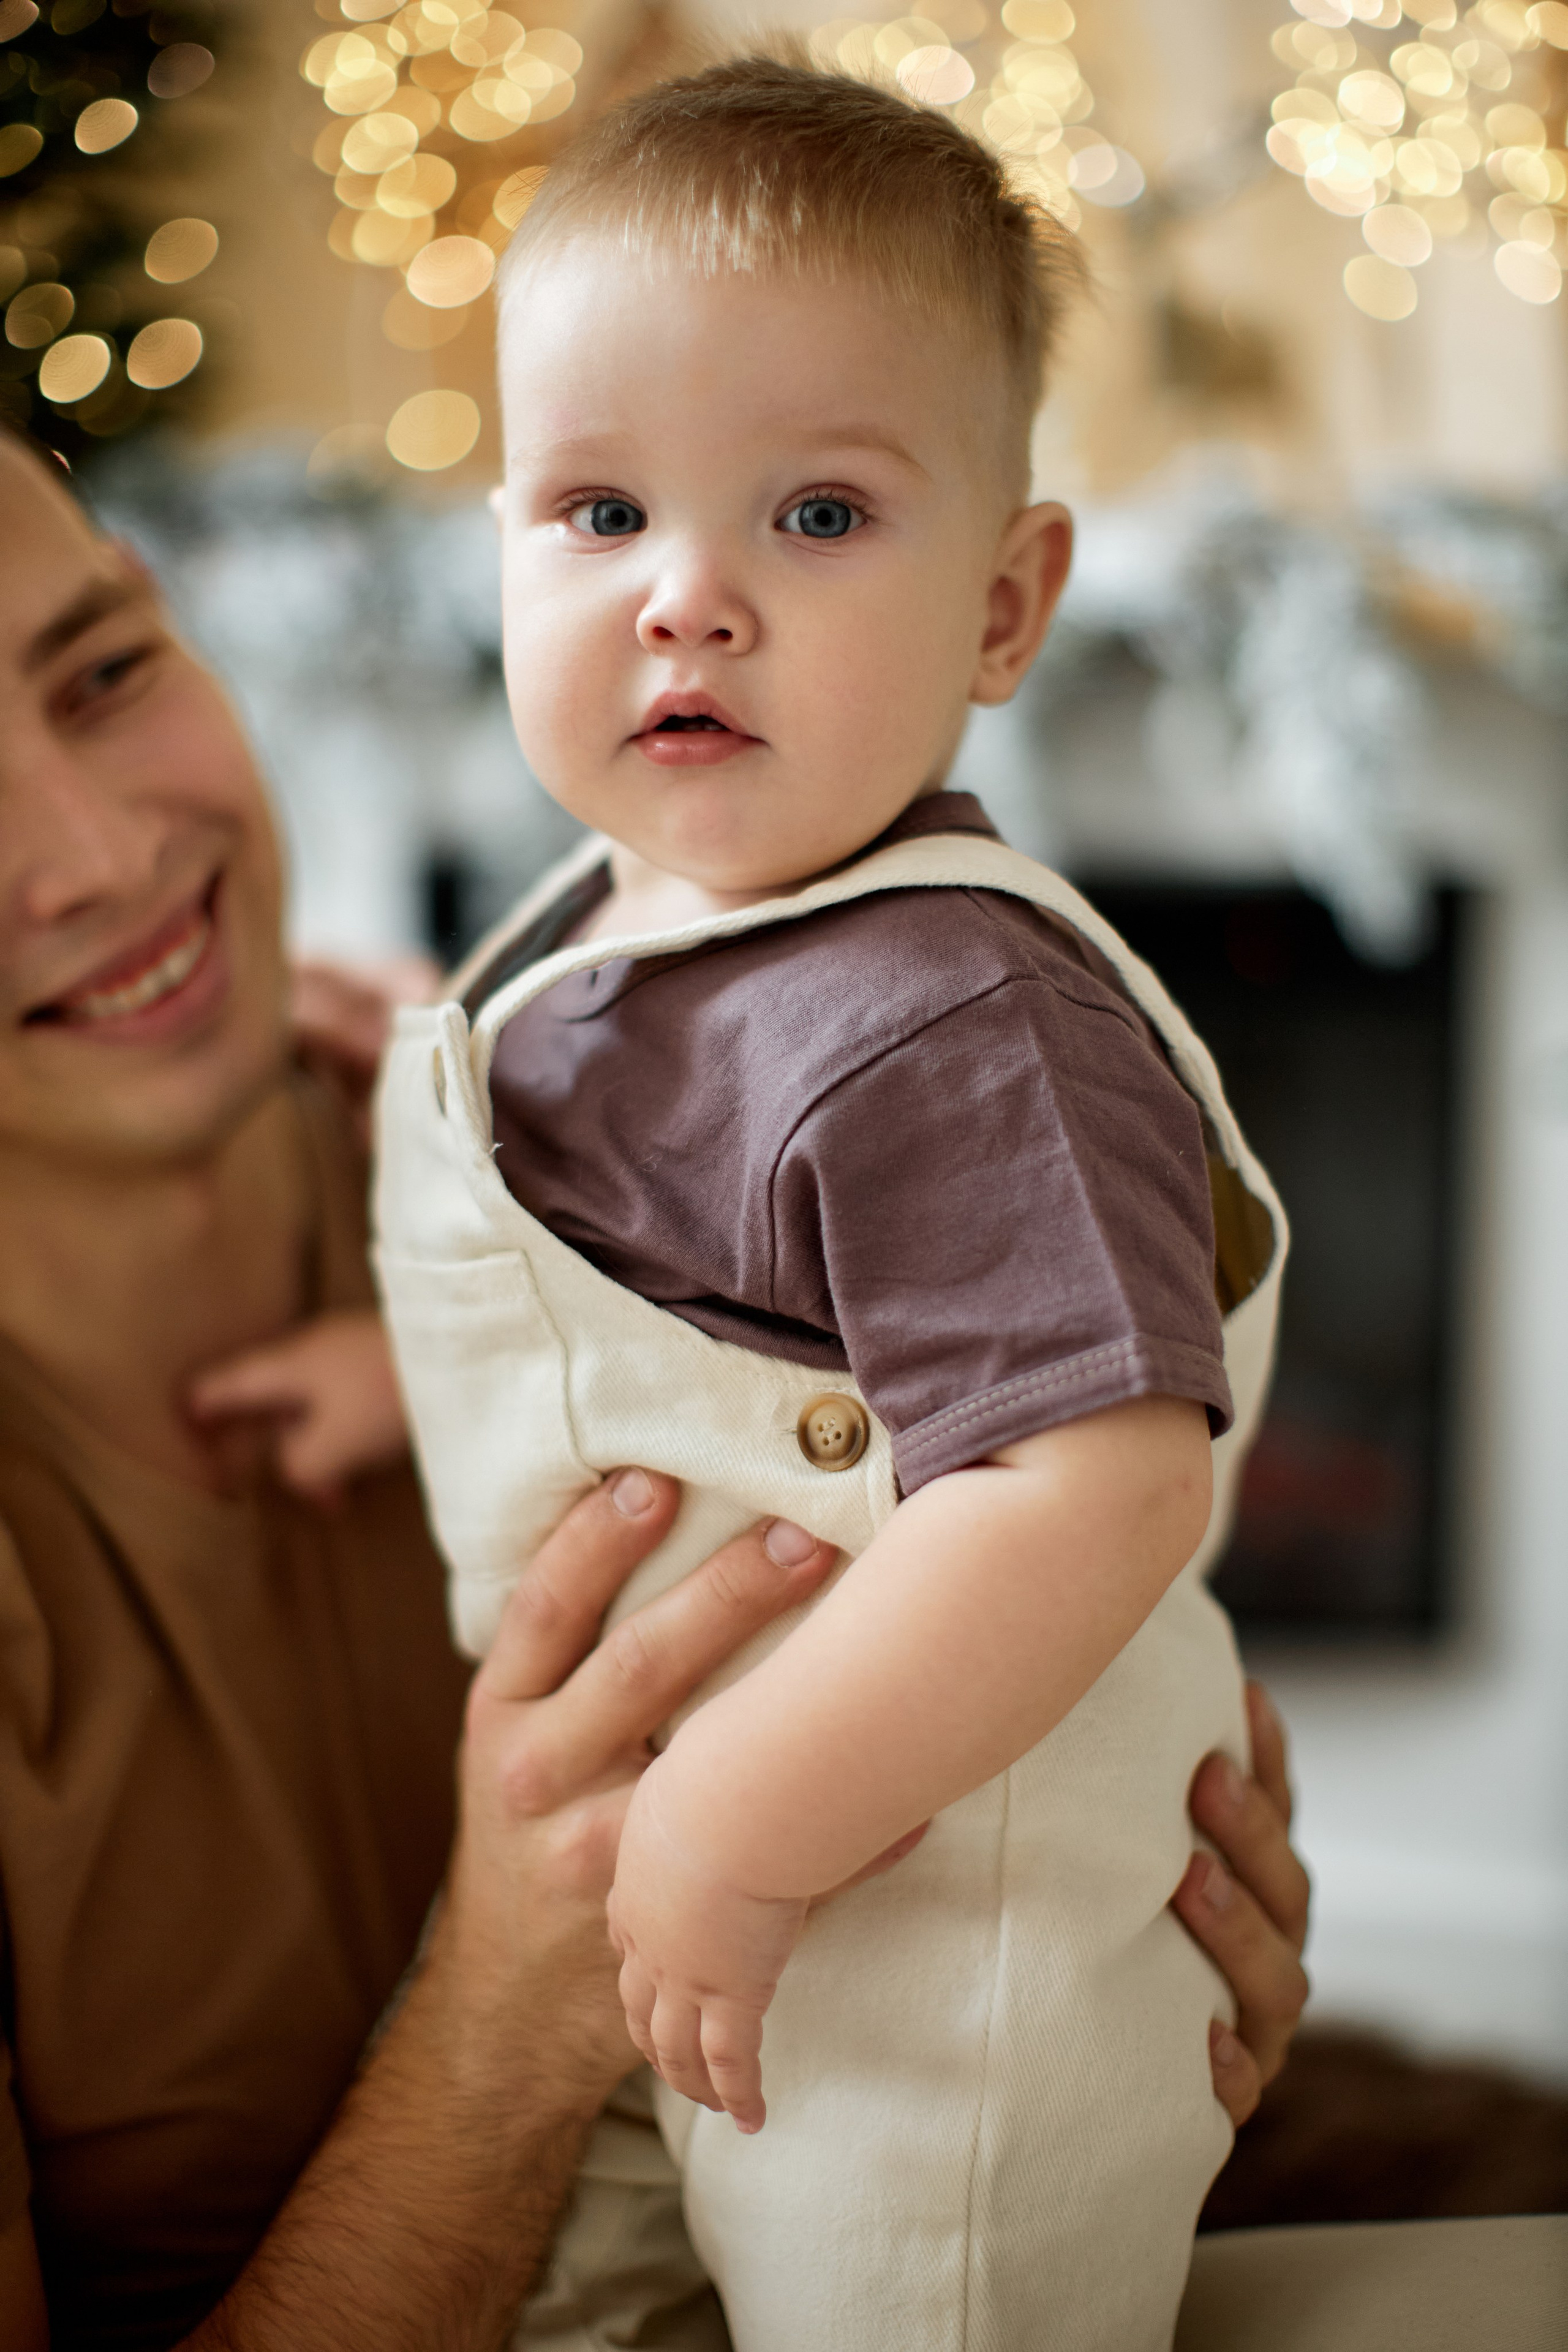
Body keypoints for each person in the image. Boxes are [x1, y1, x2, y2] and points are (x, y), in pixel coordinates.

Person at [0, 417, 1310, 2352]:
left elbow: (1060, 1488)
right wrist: (512, 2016)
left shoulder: (521, 1118)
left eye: (102, 673)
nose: (97, 861)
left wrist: (1106, 1993)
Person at [290, 56, 1289, 2352]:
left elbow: (1093, 1485)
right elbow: (662, 1317)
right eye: (599, 511)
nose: (688, 601)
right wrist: (397, 1372)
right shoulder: (617, 933)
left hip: (917, 1953)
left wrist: (733, 1830)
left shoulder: (955, 1016)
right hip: (667, 1919)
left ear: (1008, 603)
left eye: (819, 517)